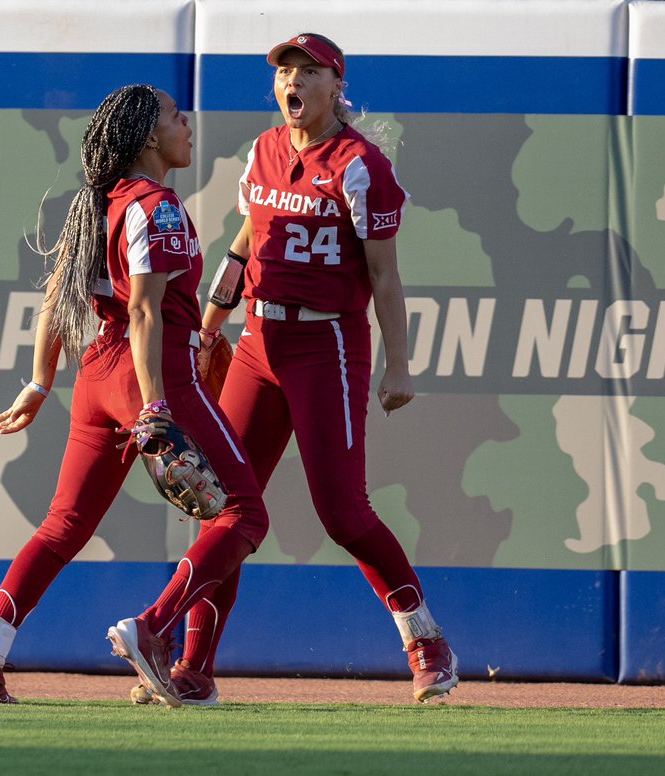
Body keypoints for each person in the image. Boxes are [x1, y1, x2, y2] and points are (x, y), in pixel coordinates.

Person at [0, 84, 269, 707]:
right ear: (149, 137)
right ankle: (154, 630)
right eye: (176, 116)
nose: (187, 123)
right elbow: (146, 313)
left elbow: (56, 297)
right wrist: (155, 405)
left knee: (63, 525)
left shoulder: (97, 203)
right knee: (246, 516)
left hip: (95, 373)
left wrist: (40, 382)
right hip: (154, 371)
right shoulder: (156, 207)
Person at [167, 33, 459, 705]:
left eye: (306, 71)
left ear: (336, 86)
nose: (290, 81)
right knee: (222, 508)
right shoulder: (265, 150)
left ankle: (425, 639)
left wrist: (400, 365)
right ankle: (193, 667)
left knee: (343, 514)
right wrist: (211, 323)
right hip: (258, 339)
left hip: (326, 344)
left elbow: (385, 276)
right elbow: (243, 246)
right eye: (283, 71)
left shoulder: (360, 164)